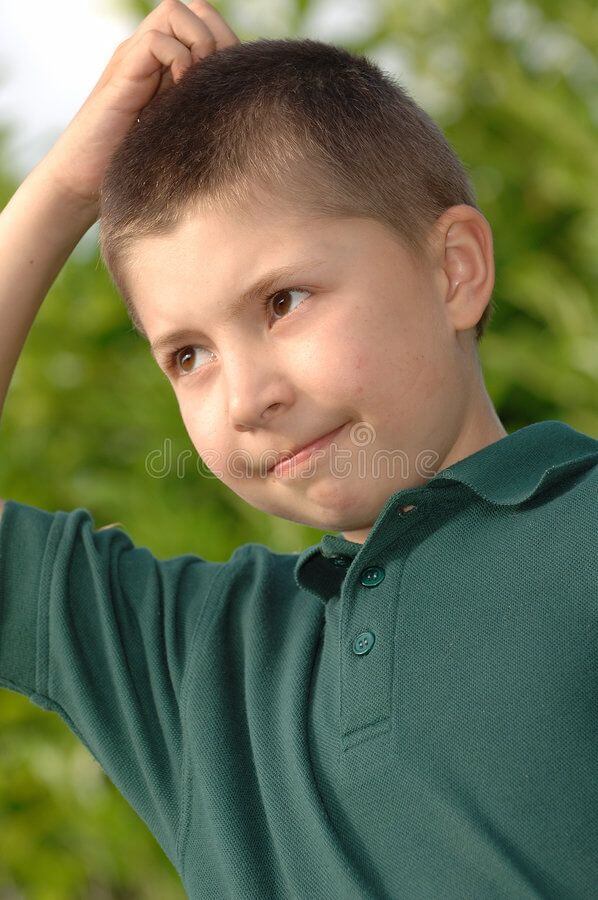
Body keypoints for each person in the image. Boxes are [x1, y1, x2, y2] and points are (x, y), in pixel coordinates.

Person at [1, 1, 597, 897]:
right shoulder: (196, 662)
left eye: (283, 302)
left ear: (455, 270)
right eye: (188, 356)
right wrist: (61, 194)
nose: (248, 399)